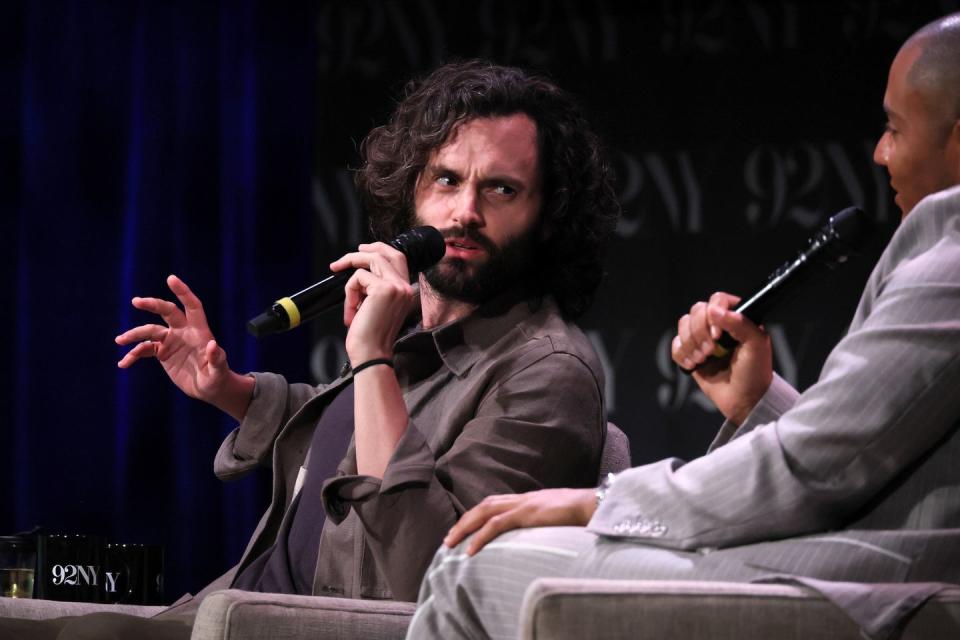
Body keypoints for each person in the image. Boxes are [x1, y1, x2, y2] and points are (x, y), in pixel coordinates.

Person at [0, 61, 618, 639]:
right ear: (411, 190)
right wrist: (232, 389)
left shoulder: (545, 370)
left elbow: (430, 577)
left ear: (548, 216)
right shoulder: (415, 333)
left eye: (503, 190)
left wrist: (372, 357)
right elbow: (345, 439)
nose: (464, 212)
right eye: (447, 179)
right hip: (243, 600)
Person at [406, 13, 960, 640]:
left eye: (894, 127)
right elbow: (874, 455)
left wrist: (599, 504)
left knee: (469, 565)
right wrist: (760, 400)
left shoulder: (955, 253)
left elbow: (821, 468)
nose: (880, 151)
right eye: (446, 180)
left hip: (882, 575)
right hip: (869, 554)